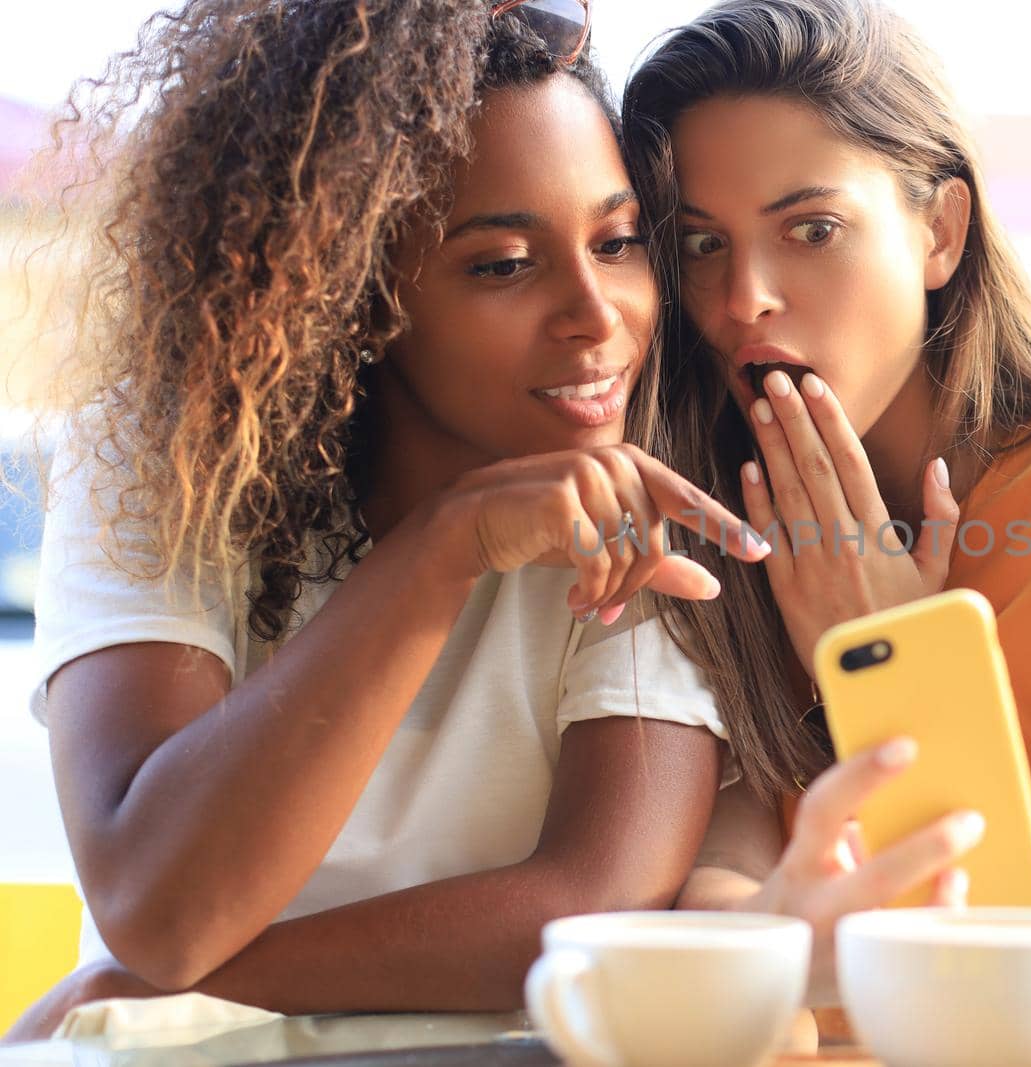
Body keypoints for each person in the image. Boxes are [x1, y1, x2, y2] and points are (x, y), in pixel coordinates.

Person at [4, 0, 772, 1042]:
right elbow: (160, 904)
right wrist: (443, 551)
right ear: (354, 295)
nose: (598, 314)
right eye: (502, 263)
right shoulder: (165, 463)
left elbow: (602, 896)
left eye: (619, 241)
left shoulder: (651, 480)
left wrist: (188, 989)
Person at [622, 0, 1031, 1007]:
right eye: (703, 244)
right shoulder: (725, 519)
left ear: (939, 232)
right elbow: (721, 895)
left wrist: (902, 659)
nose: (744, 296)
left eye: (811, 229)